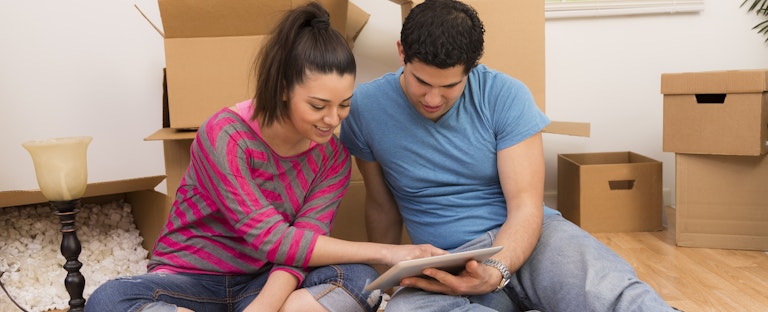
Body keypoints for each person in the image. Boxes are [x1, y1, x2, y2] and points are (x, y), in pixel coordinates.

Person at [85, 2, 444, 312]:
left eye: (344, 105)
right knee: (108, 300)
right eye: (318, 106)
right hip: (189, 283)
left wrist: (263, 306)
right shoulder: (225, 134)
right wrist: (388, 252)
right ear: (284, 89)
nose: (333, 120)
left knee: (359, 280)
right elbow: (272, 239)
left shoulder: (332, 157)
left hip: (266, 282)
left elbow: (302, 245)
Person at [340, 0, 676, 311]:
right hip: (445, 261)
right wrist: (386, 282)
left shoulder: (505, 95)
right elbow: (382, 206)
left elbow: (526, 205)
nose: (432, 98)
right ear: (402, 53)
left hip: (530, 240)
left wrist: (496, 269)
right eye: (421, 82)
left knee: (609, 290)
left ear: (471, 68)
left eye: (450, 86)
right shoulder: (365, 109)